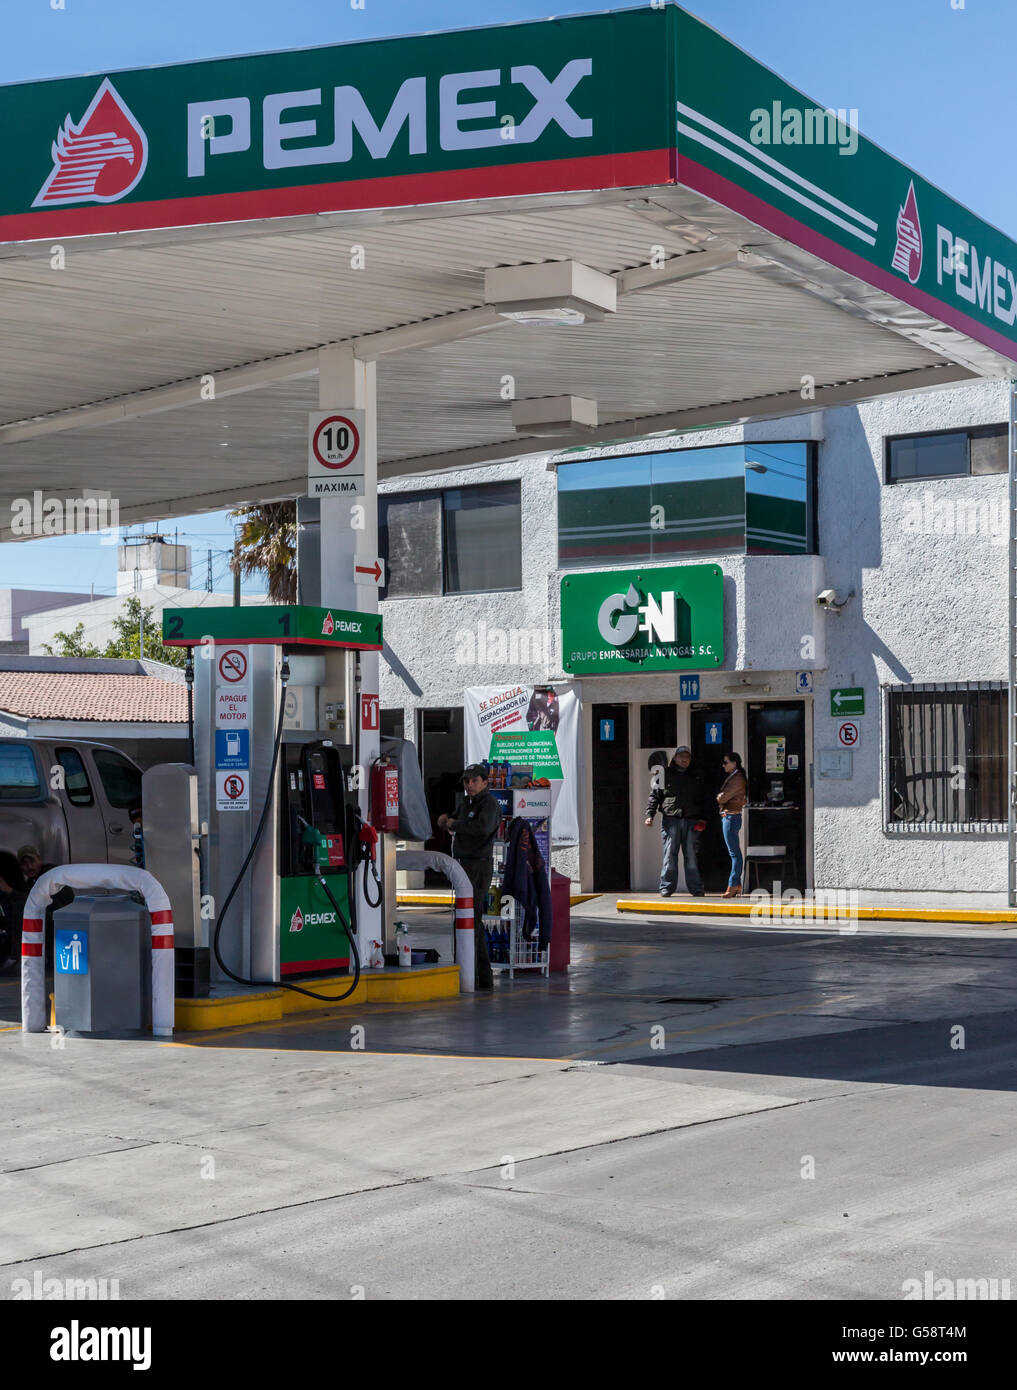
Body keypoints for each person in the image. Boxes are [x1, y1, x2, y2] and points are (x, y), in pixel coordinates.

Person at [437, 764, 501, 989]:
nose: (469, 785)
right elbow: (451, 820)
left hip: (478, 866)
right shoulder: (466, 803)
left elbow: (481, 829)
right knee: (466, 919)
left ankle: (482, 975)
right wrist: (446, 819)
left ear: (485, 782)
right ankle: (471, 971)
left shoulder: (489, 804)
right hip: (463, 864)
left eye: (474, 781)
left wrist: (455, 824)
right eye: (466, 781)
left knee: (471, 919)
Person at [644, 746, 706, 897]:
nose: (685, 760)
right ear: (675, 758)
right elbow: (655, 796)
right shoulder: (664, 774)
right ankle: (666, 887)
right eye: (682, 756)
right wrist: (650, 814)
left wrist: (703, 818)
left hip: (691, 820)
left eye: (688, 757)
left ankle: (696, 888)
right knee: (670, 855)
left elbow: (703, 799)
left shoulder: (696, 775)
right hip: (671, 819)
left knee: (691, 855)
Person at [716, 752, 748, 897]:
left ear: (734, 763)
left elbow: (723, 798)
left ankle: (733, 884)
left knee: (734, 853)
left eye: (726, 762)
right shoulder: (735, 777)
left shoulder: (737, 778)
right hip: (730, 816)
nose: (723, 765)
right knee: (734, 852)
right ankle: (737, 884)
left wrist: (719, 797)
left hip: (731, 817)